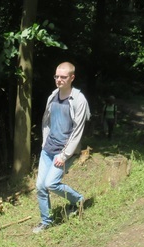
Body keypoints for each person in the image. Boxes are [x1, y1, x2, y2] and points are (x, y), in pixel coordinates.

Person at [33, 62, 90, 233]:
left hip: (64, 151)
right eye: (56, 76)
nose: (59, 80)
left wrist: (64, 155)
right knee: (40, 186)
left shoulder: (79, 100)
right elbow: (47, 122)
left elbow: (78, 130)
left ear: (72, 78)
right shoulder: (53, 96)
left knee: (51, 183)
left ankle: (78, 200)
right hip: (48, 149)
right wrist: (44, 143)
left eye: (63, 77)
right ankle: (46, 221)